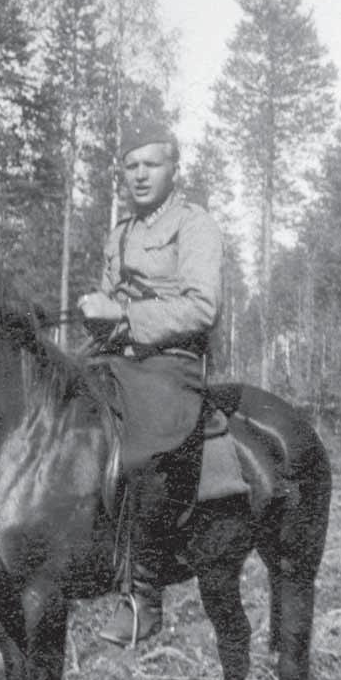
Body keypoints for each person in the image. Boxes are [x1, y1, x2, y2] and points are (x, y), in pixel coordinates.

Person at [77, 117, 225, 647]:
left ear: (173, 167)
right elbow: (110, 301)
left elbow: (201, 306)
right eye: (130, 166)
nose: (140, 175)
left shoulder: (195, 224)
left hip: (170, 363)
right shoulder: (119, 233)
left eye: (151, 164)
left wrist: (122, 318)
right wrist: (96, 311)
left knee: (141, 452)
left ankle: (144, 595)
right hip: (115, 356)